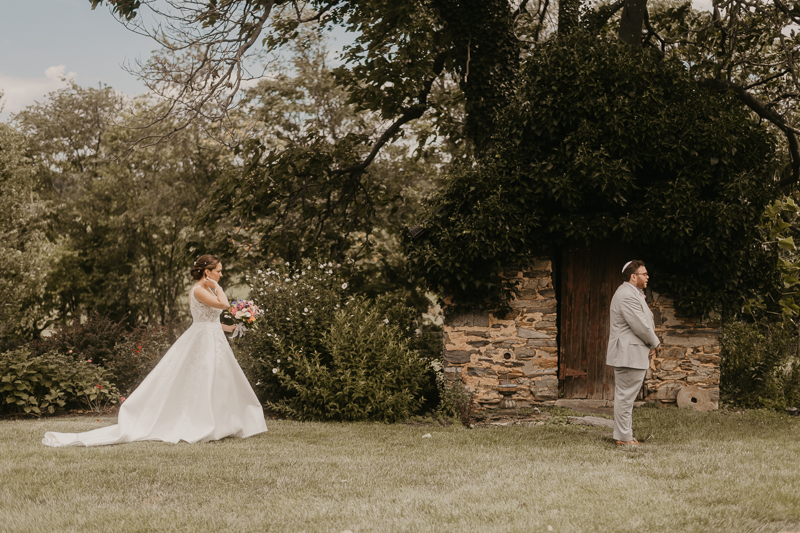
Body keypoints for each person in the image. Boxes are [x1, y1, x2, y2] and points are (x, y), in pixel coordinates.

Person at [43, 255, 267, 447]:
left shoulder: (206, 288)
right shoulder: (200, 290)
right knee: (202, 379)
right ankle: (200, 423)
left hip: (213, 338)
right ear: (207, 271)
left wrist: (234, 326)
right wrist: (218, 288)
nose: (221, 275)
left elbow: (211, 320)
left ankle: (225, 422)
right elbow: (223, 305)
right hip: (202, 341)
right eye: (218, 272)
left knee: (220, 380)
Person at [606, 260, 659, 446]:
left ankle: (624, 435)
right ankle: (624, 438)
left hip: (631, 353)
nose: (647, 277)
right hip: (628, 354)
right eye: (644, 274)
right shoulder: (626, 295)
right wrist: (654, 343)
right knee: (626, 398)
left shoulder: (632, 293)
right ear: (633, 276)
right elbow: (641, 326)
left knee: (625, 397)